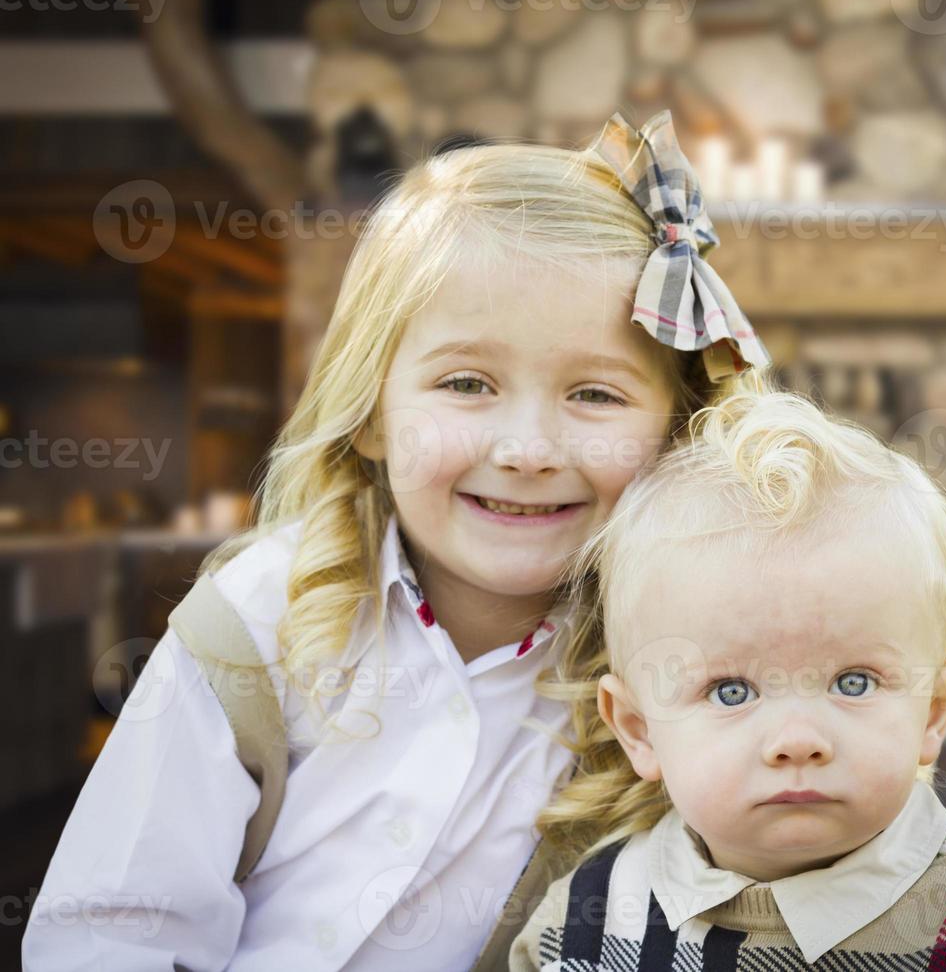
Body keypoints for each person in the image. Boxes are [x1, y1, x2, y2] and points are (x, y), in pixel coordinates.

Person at [23, 110, 769, 971]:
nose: (526, 450)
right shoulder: (259, 622)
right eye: (466, 383)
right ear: (373, 413)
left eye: (595, 395)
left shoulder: (680, 659)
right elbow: (112, 929)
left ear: (675, 433)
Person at [494, 389, 946, 971]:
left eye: (853, 682)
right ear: (639, 730)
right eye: (731, 692)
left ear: (933, 710)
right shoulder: (584, 917)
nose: (797, 740)